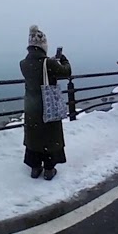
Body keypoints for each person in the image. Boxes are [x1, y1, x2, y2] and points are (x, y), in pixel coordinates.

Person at [20, 25, 72, 181]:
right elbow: (66, 71)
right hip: (47, 105)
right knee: (50, 136)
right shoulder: (48, 63)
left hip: (31, 106)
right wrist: (62, 59)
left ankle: (35, 167)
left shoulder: (23, 63)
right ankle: (49, 169)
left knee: (34, 136)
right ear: (43, 46)